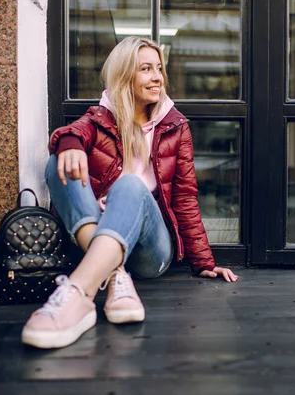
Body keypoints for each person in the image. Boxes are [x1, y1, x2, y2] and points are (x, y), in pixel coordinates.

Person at [21, 37, 238, 349]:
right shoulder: (100, 117)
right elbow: (73, 133)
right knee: (59, 163)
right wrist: (69, 144)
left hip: (151, 252)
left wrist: (204, 261)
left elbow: (185, 197)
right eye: (146, 69)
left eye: (159, 69)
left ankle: (78, 294)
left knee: (131, 185)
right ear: (125, 75)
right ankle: (115, 274)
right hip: (101, 232)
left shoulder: (175, 126)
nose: (158, 77)